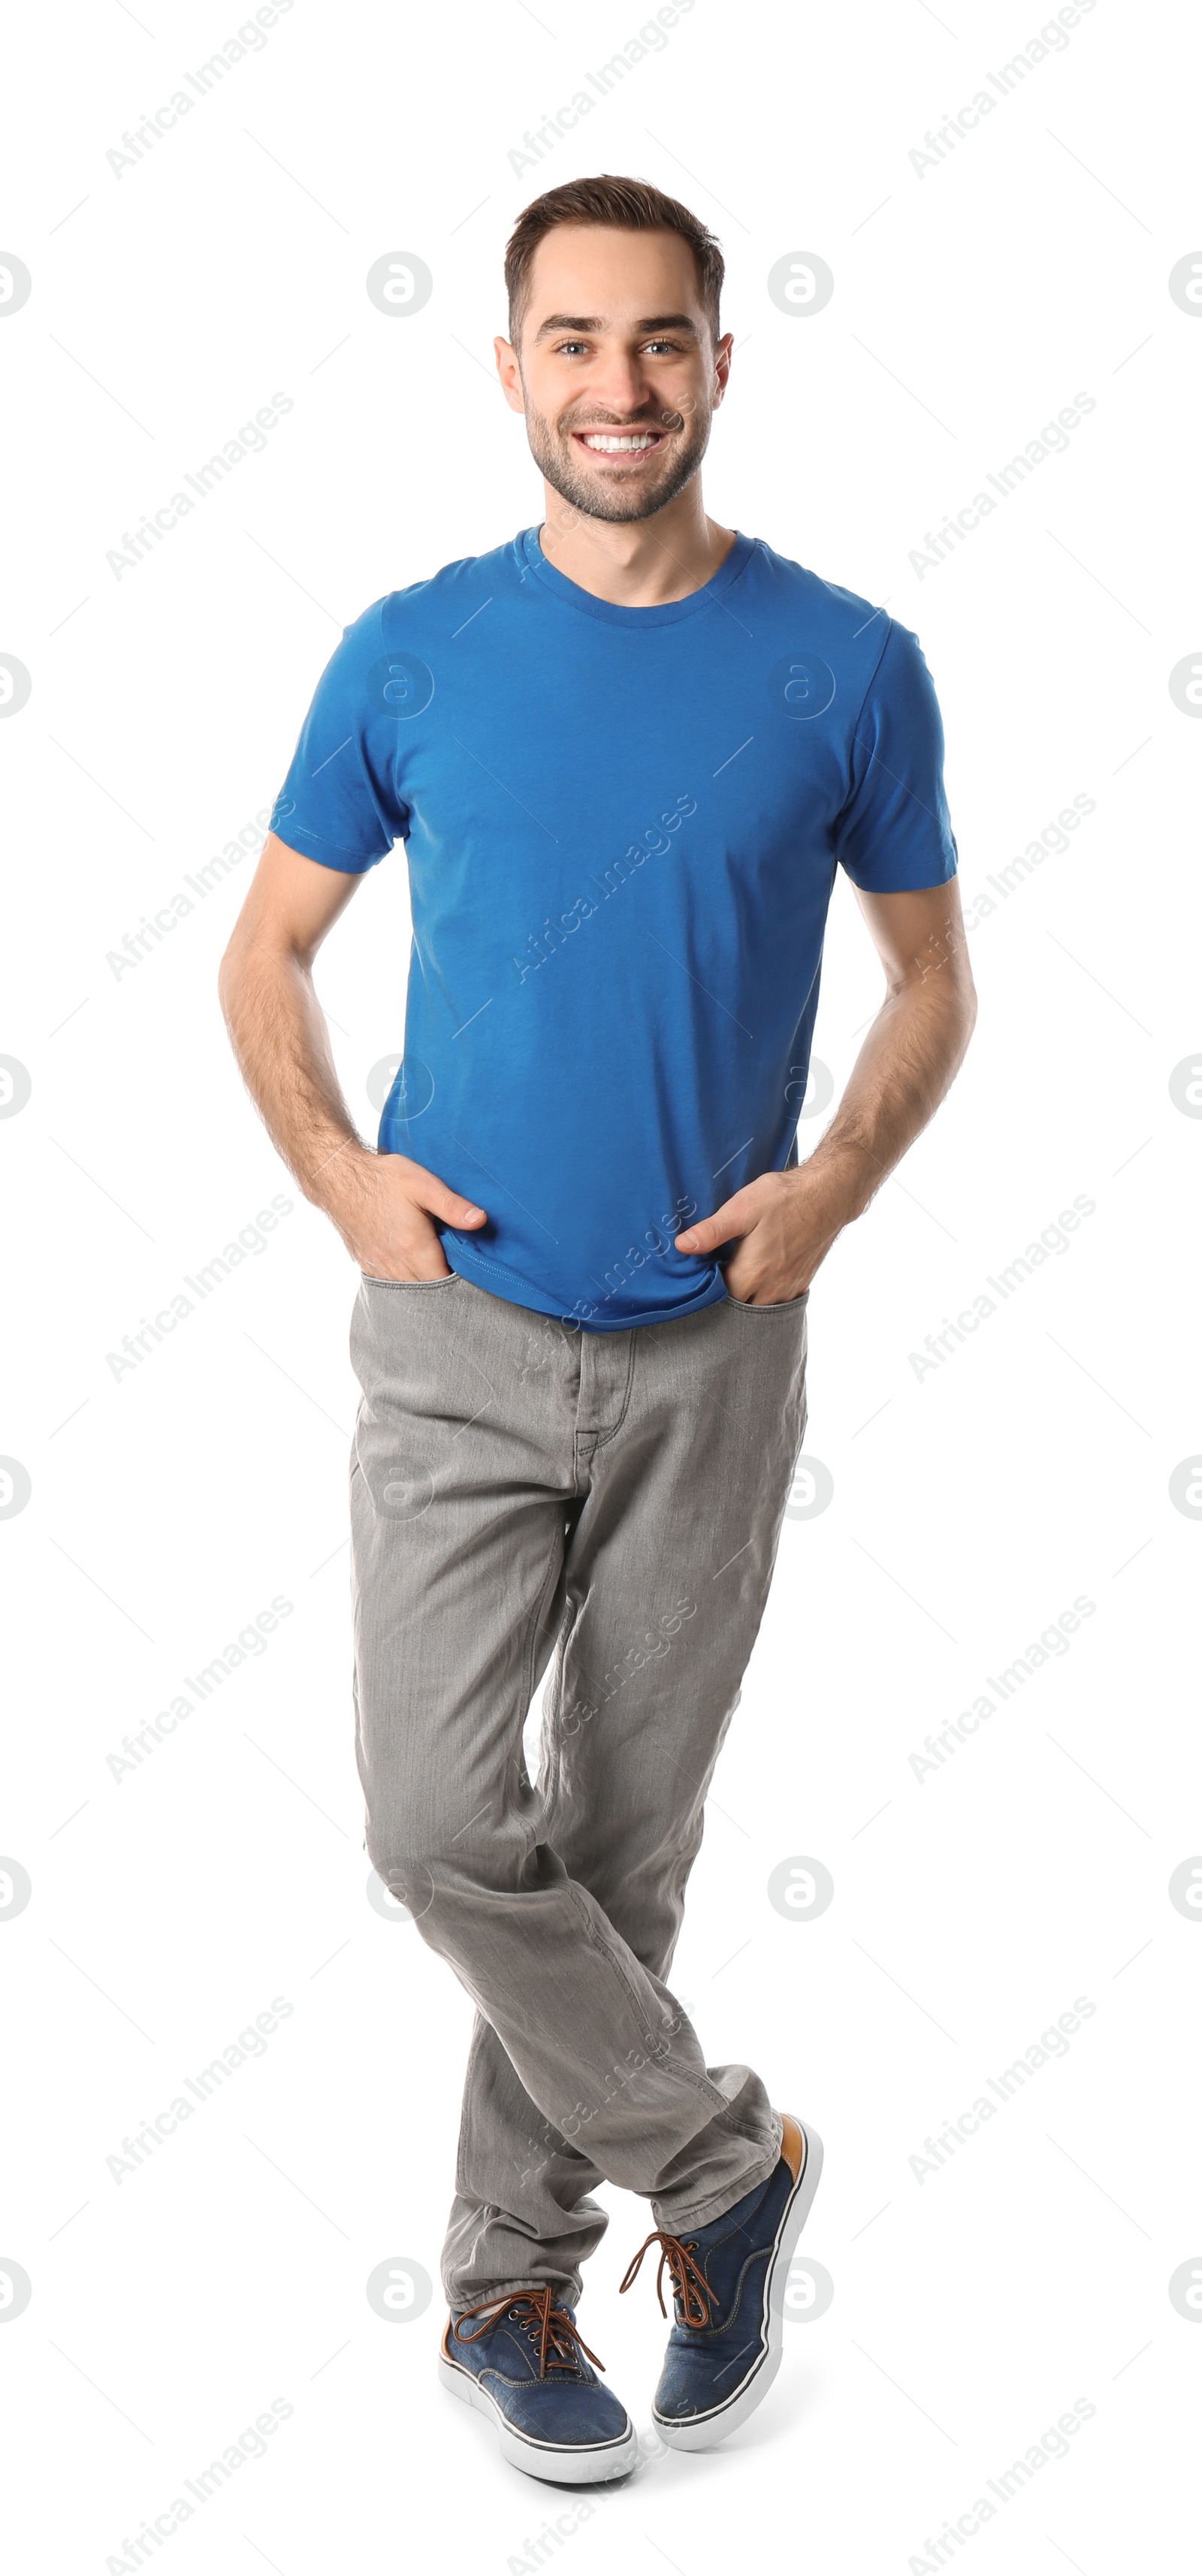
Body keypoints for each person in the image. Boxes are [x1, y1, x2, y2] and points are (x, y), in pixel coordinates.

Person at [219, 172, 976, 2485]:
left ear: (721, 364)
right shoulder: (411, 652)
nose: (618, 388)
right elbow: (266, 958)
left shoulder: (843, 661)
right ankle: (724, 2167)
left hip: (714, 1347)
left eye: (661, 343)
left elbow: (933, 977)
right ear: (510, 369)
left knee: (623, 1847)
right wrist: (341, 1175)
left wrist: (833, 1185)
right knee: (447, 1820)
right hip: (452, 1329)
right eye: (574, 342)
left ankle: (510, 2292)